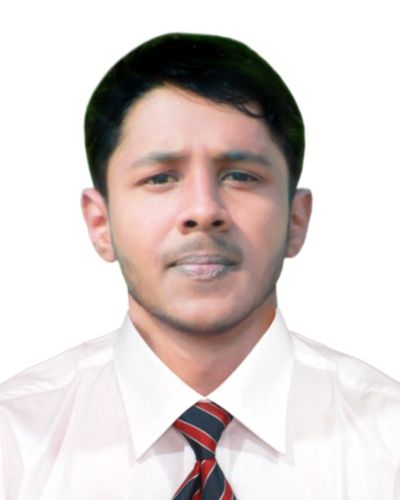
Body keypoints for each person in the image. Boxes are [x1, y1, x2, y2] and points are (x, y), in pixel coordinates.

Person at [0, 32, 399, 500]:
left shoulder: (388, 442)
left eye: (240, 176)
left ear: (296, 219)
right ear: (100, 223)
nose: (204, 210)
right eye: (160, 178)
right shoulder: (15, 443)